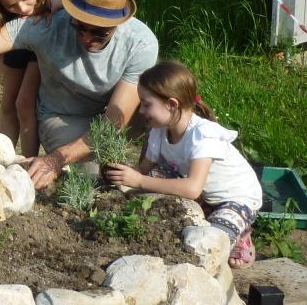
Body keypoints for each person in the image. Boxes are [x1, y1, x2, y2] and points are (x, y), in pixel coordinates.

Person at [0, 0, 158, 189]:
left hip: (109, 115)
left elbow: (114, 120)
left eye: (99, 33)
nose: (87, 38)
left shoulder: (140, 43)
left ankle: (153, 176)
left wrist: (56, 160)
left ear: (119, 22)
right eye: (79, 27)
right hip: (64, 116)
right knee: (91, 178)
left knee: (165, 111)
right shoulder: (49, 25)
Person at [104, 60, 261, 269]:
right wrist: (121, 174)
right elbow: (144, 170)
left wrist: (139, 181)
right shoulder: (159, 130)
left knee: (208, 246)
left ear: (172, 104)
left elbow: (192, 187)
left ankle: (239, 234)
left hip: (234, 198)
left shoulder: (203, 134)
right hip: (203, 193)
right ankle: (206, 215)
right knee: (155, 177)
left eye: (146, 103)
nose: (141, 110)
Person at [0, 0, 84, 157]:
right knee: (8, 103)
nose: (23, 8)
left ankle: (29, 163)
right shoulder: (3, 13)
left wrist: (60, 2)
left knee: (24, 103)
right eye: (11, 5)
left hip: (51, 41)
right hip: (20, 41)